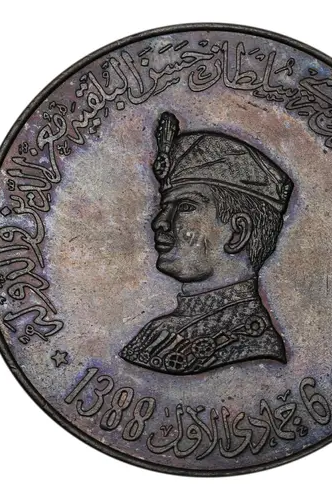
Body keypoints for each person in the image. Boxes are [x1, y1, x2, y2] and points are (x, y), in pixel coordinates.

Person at [120, 112, 293, 375]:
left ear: (238, 233)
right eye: (165, 208)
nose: (159, 222)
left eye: (185, 207)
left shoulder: (250, 343)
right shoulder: (158, 331)